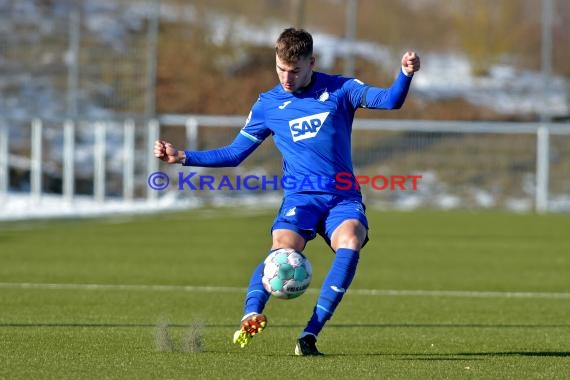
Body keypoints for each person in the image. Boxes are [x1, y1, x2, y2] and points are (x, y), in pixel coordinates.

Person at [154, 27, 420, 356]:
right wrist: (182, 157)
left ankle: (308, 336)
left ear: (312, 62)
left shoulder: (341, 89)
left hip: (342, 198)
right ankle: (252, 312)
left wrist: (404, 74)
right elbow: (235, 153)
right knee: (282, 247)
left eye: (294, 71)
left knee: (350, 241)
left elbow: (390, 100)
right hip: (300, 198)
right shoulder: (268, 105)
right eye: (280, 69)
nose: (287, 78)